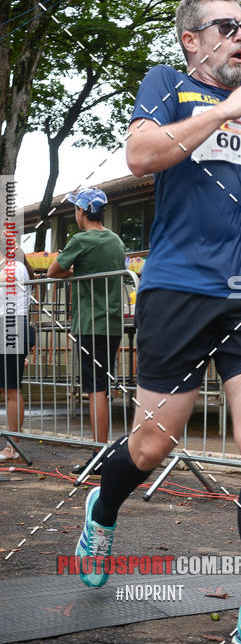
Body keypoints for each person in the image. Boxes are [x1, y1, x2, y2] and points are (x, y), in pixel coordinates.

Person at [74, 0, 241, 644]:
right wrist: (224, 110)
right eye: (226, 26)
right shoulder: (169, 86)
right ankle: (104, 506)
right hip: (179, 289)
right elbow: (141, 156)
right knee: (150, 447)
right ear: (193, 39)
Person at [48, 189, 126, 473]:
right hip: (113, 323)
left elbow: (53, 271)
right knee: (102, 387)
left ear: (81, 212)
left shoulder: (80, 240)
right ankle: (102, 452)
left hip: (90, 323)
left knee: (95, 389)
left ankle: (99, 453)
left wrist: (76, 273)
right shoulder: (116, 241)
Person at [0, 246, 35, 462]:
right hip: (10, 326)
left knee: (11, 388)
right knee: (8, 388)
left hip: (11, 326)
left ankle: (13, 446)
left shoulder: (12, 268)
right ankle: (13, 444)